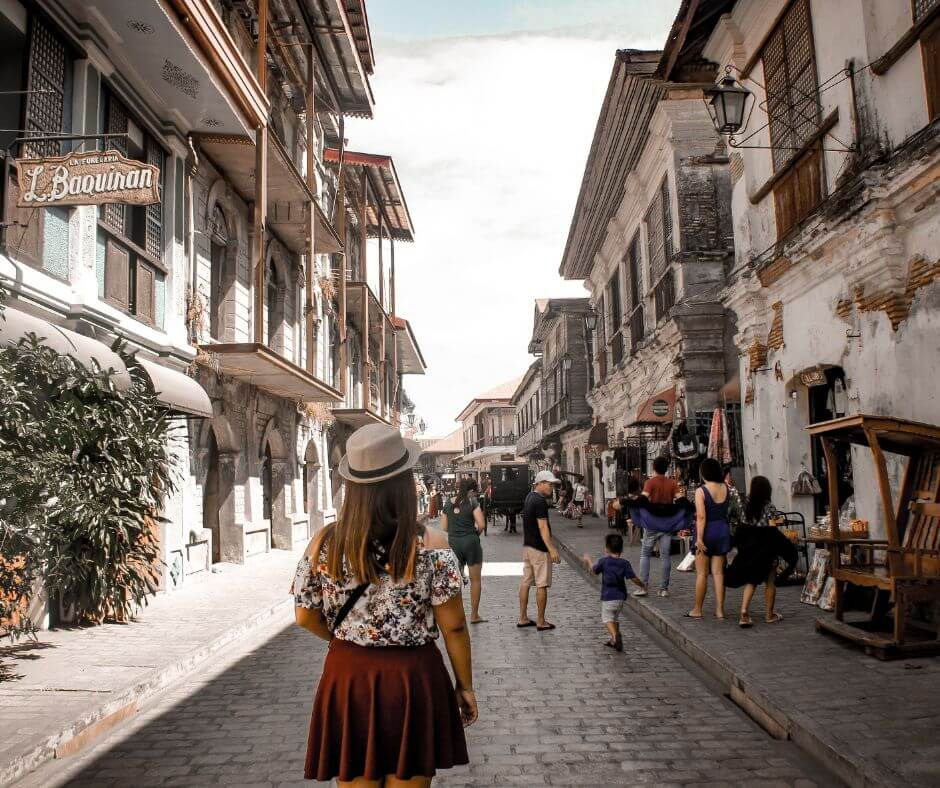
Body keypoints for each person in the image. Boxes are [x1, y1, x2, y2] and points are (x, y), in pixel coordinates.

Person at [292, 423, 474, 786]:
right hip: (413, 679)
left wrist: (345, 638)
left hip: (348, 677)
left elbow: (303, 615)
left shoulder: (324, 544)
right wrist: (464, 685)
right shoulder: (432, 544)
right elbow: (453, 626)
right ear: (404, 484)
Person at [726, 475, 796, 627]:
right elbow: (772, 528)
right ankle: (769, 615)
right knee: (770, 582)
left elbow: (741, 525)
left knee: (752, 580)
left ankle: (744, 612)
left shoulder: (745, 505)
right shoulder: (768, 506)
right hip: (766, 550)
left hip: (749, 550)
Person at [582, 533, 646, 651]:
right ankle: (613, 640)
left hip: (608, 597)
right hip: (620, 598)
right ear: (621, 549)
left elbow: (594, 570)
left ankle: (615, 637)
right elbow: (633, 577)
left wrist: (588, 560)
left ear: (606, 548)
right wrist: (642, 585)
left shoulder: (603, 561)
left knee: (607, 619)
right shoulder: (625, 563)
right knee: (615, 618)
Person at [686, 458, 732, 620]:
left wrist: (699, 538)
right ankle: (720, 610)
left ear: (703, 472)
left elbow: (701, 516)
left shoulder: (701, 491)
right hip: (722, 530)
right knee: (719, 573)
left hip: (706, 531)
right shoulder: (725, 487)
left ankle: (697, 609)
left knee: (702, 574)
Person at [518, 470, 562, 632]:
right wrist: (552, 549)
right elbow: (543, 527)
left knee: (526, 582)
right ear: (541, 483)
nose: (552, 487)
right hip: (539, 548)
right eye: (549, 484)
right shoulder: (540, 502)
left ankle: (522, 617)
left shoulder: (529, 497)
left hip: (528, 546)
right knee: (541, 584)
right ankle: (541, 621)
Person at [442, 478, 487, 624]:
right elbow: (481, 524)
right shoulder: (473, 502)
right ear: (471, 491)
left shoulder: (448, 503)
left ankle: (457, 615)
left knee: (455, 581)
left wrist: (456, 531)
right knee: (475, 581)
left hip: (454, 543)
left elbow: (444, 527)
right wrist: (474, 534)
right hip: (471, 542)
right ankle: (474, 615)